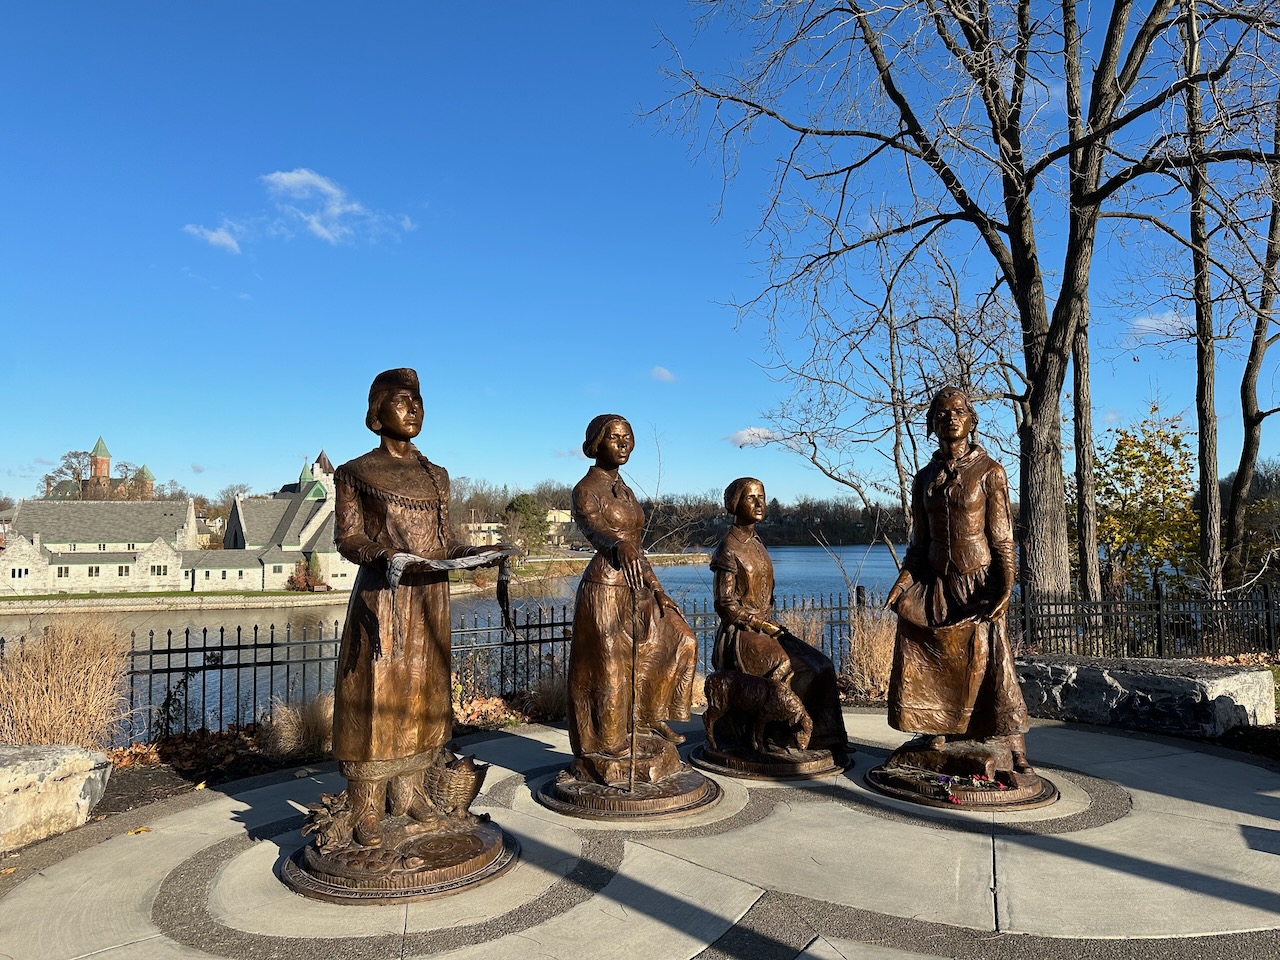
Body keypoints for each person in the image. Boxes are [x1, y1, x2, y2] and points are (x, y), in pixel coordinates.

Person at [332, 368, 505, 846]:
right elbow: (348, 538)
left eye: (419, 402)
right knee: (376, 691)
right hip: (384, 596)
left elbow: (444, 541)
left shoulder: (437, 475)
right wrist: (385, 554)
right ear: (376, 411)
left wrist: (476, 554)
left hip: (430, 596)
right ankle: (366, 803)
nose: (413, 409)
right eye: (402, 401)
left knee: (422, 692)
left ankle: (409, 792)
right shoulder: (355, 471)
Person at [885, 386, 1032, 771]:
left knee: (990, 659)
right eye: (942, 413)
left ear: (971, 420)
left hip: (976, 581)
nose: (950, 417)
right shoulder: (924, 478)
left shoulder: (990, 472)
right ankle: (937, 726)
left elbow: (1002, 537)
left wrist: (1006, 585)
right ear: (932, 424)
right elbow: (918, 544)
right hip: (936, 581)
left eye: (958, 411)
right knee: (925, 646)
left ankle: (1009, 742)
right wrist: (902, 582)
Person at [567, 414, 697, 764]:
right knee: (611, 667)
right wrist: (615, 544)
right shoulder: (586, 489)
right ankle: (607, 743)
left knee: (680, 639)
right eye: (614, 437)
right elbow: (593, 529)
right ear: (597, 443)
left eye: (628, 437)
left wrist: (658, 590)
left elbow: (636, 547)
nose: (623, 443)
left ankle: (648, 719)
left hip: (637, 584)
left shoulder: (624, 489)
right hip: (606, 587)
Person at [710, 477, 847, 753]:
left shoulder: (759, 543)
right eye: (751, 497)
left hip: (767, 628)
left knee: (822, 665)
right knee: (790, 668)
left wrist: (770, 626)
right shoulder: (729, 548)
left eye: (762, 496)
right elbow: (725, 604)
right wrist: (760, 624)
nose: (760, 503)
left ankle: (821, 736)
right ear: (736, 504)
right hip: (741, 634)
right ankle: (776, 735)